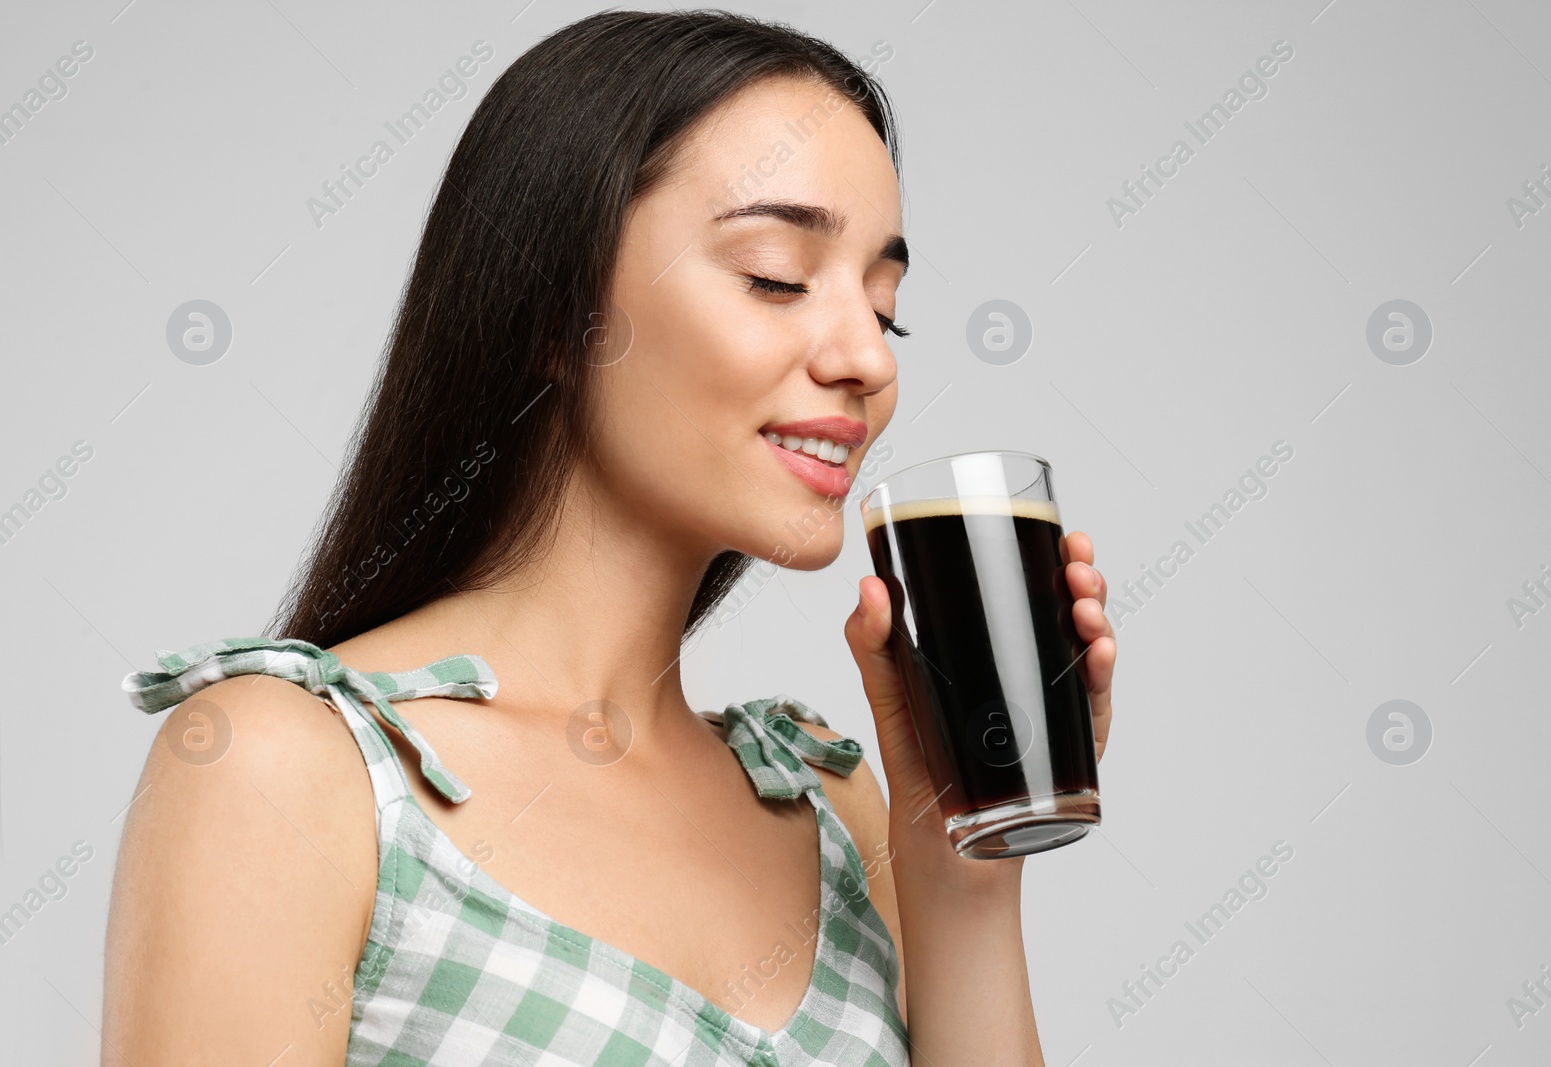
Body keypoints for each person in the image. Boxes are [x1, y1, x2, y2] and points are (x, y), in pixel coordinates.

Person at [102, 9, 1117, 1065]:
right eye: (775, 274)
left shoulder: (838, 808)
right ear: (554, 306)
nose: (867, 356)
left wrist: (963, 860)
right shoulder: (282, 768)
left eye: (886, 306)